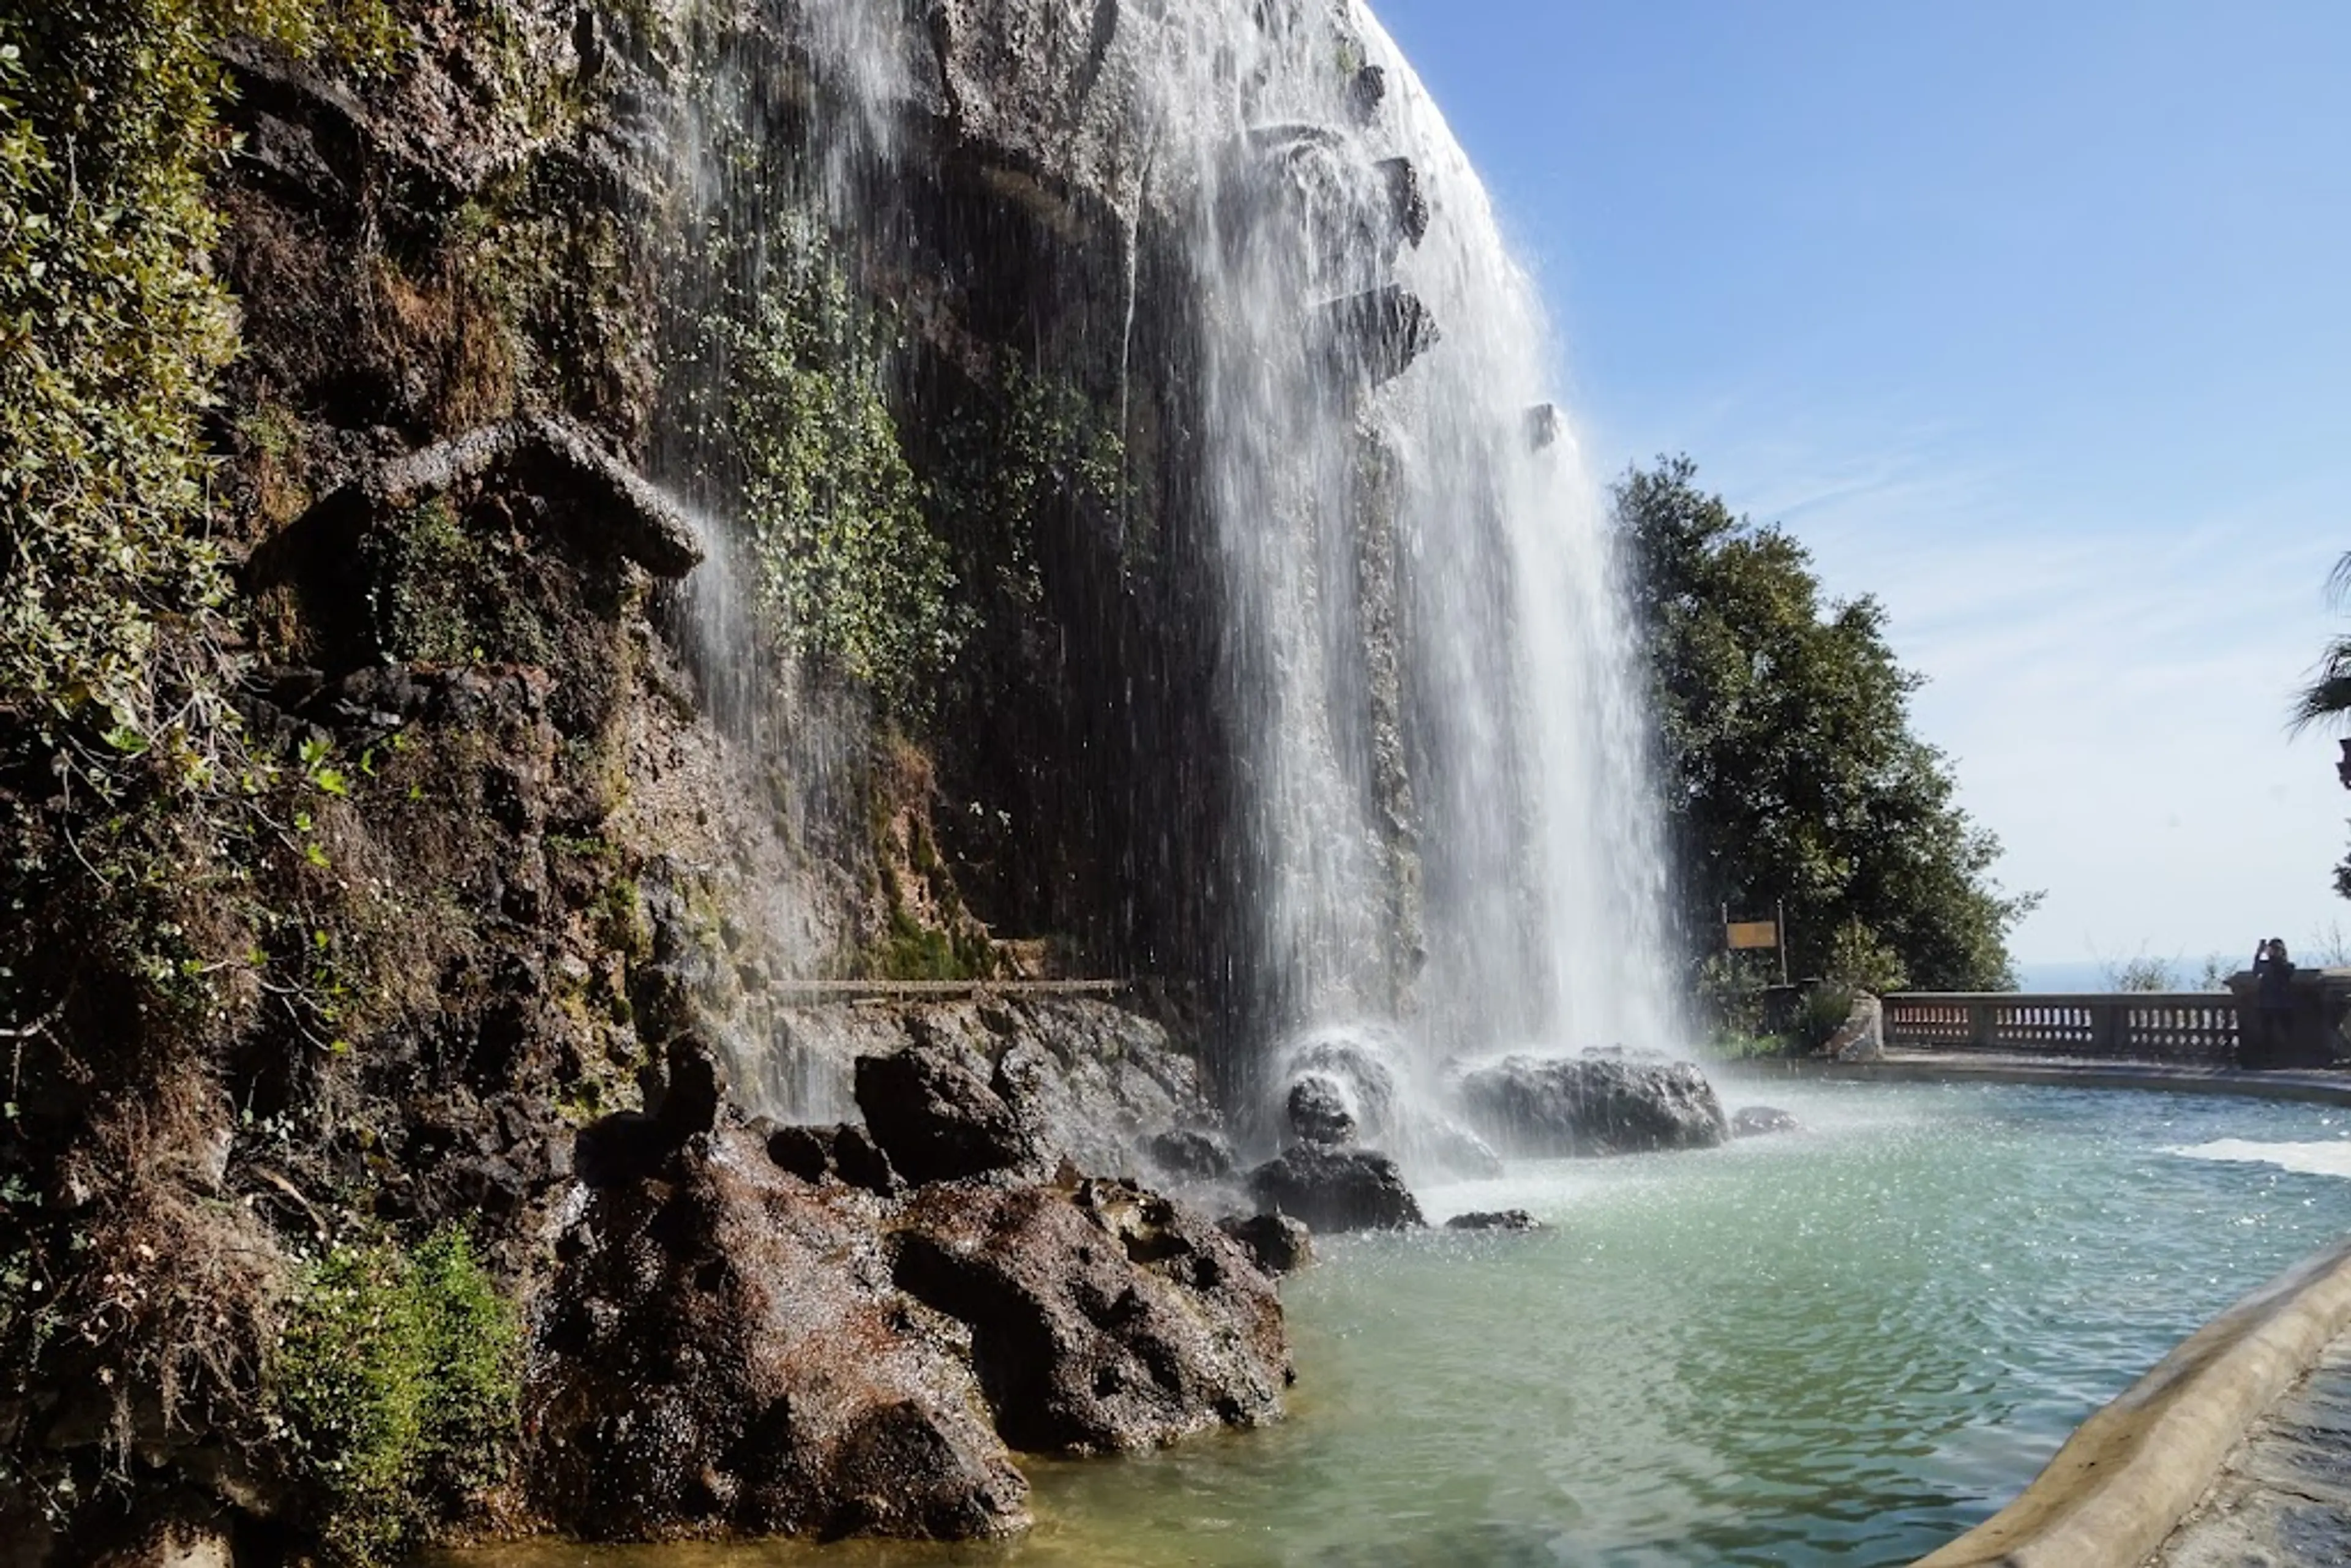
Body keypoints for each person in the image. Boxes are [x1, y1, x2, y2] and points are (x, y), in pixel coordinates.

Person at [2253, 938, 2297, 1059]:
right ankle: (2268, 1056)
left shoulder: (2288, 966)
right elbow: (2256, 971)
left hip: (2283, 1003)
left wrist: (2275, 958)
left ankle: (2289, 1056)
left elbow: (2285, 970)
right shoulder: (2266, 966)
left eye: (2277, 950)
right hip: (2267, 1003)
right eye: (2273, 949)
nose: (2275, 952)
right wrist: (2259, 954)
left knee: (2288, 1031)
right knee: (2267, 1033)